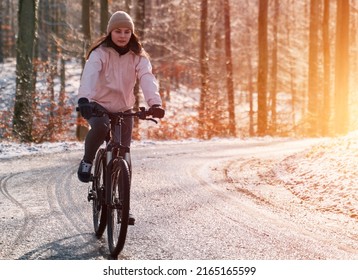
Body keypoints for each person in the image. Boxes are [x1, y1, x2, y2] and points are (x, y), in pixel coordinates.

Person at [77, 11, 164, 184]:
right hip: (97, 104)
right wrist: (84, 99)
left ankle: (120, 200)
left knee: (124, 149)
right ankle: (87, 160)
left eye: (127, 31)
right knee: (101, 127)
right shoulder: (100, 53)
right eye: (118, 31)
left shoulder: (138, 56)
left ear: (132, 33)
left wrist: (155, 103)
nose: (123, 35)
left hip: (124, 107)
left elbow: (147, 77)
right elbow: (89, 75)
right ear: (110, 32)